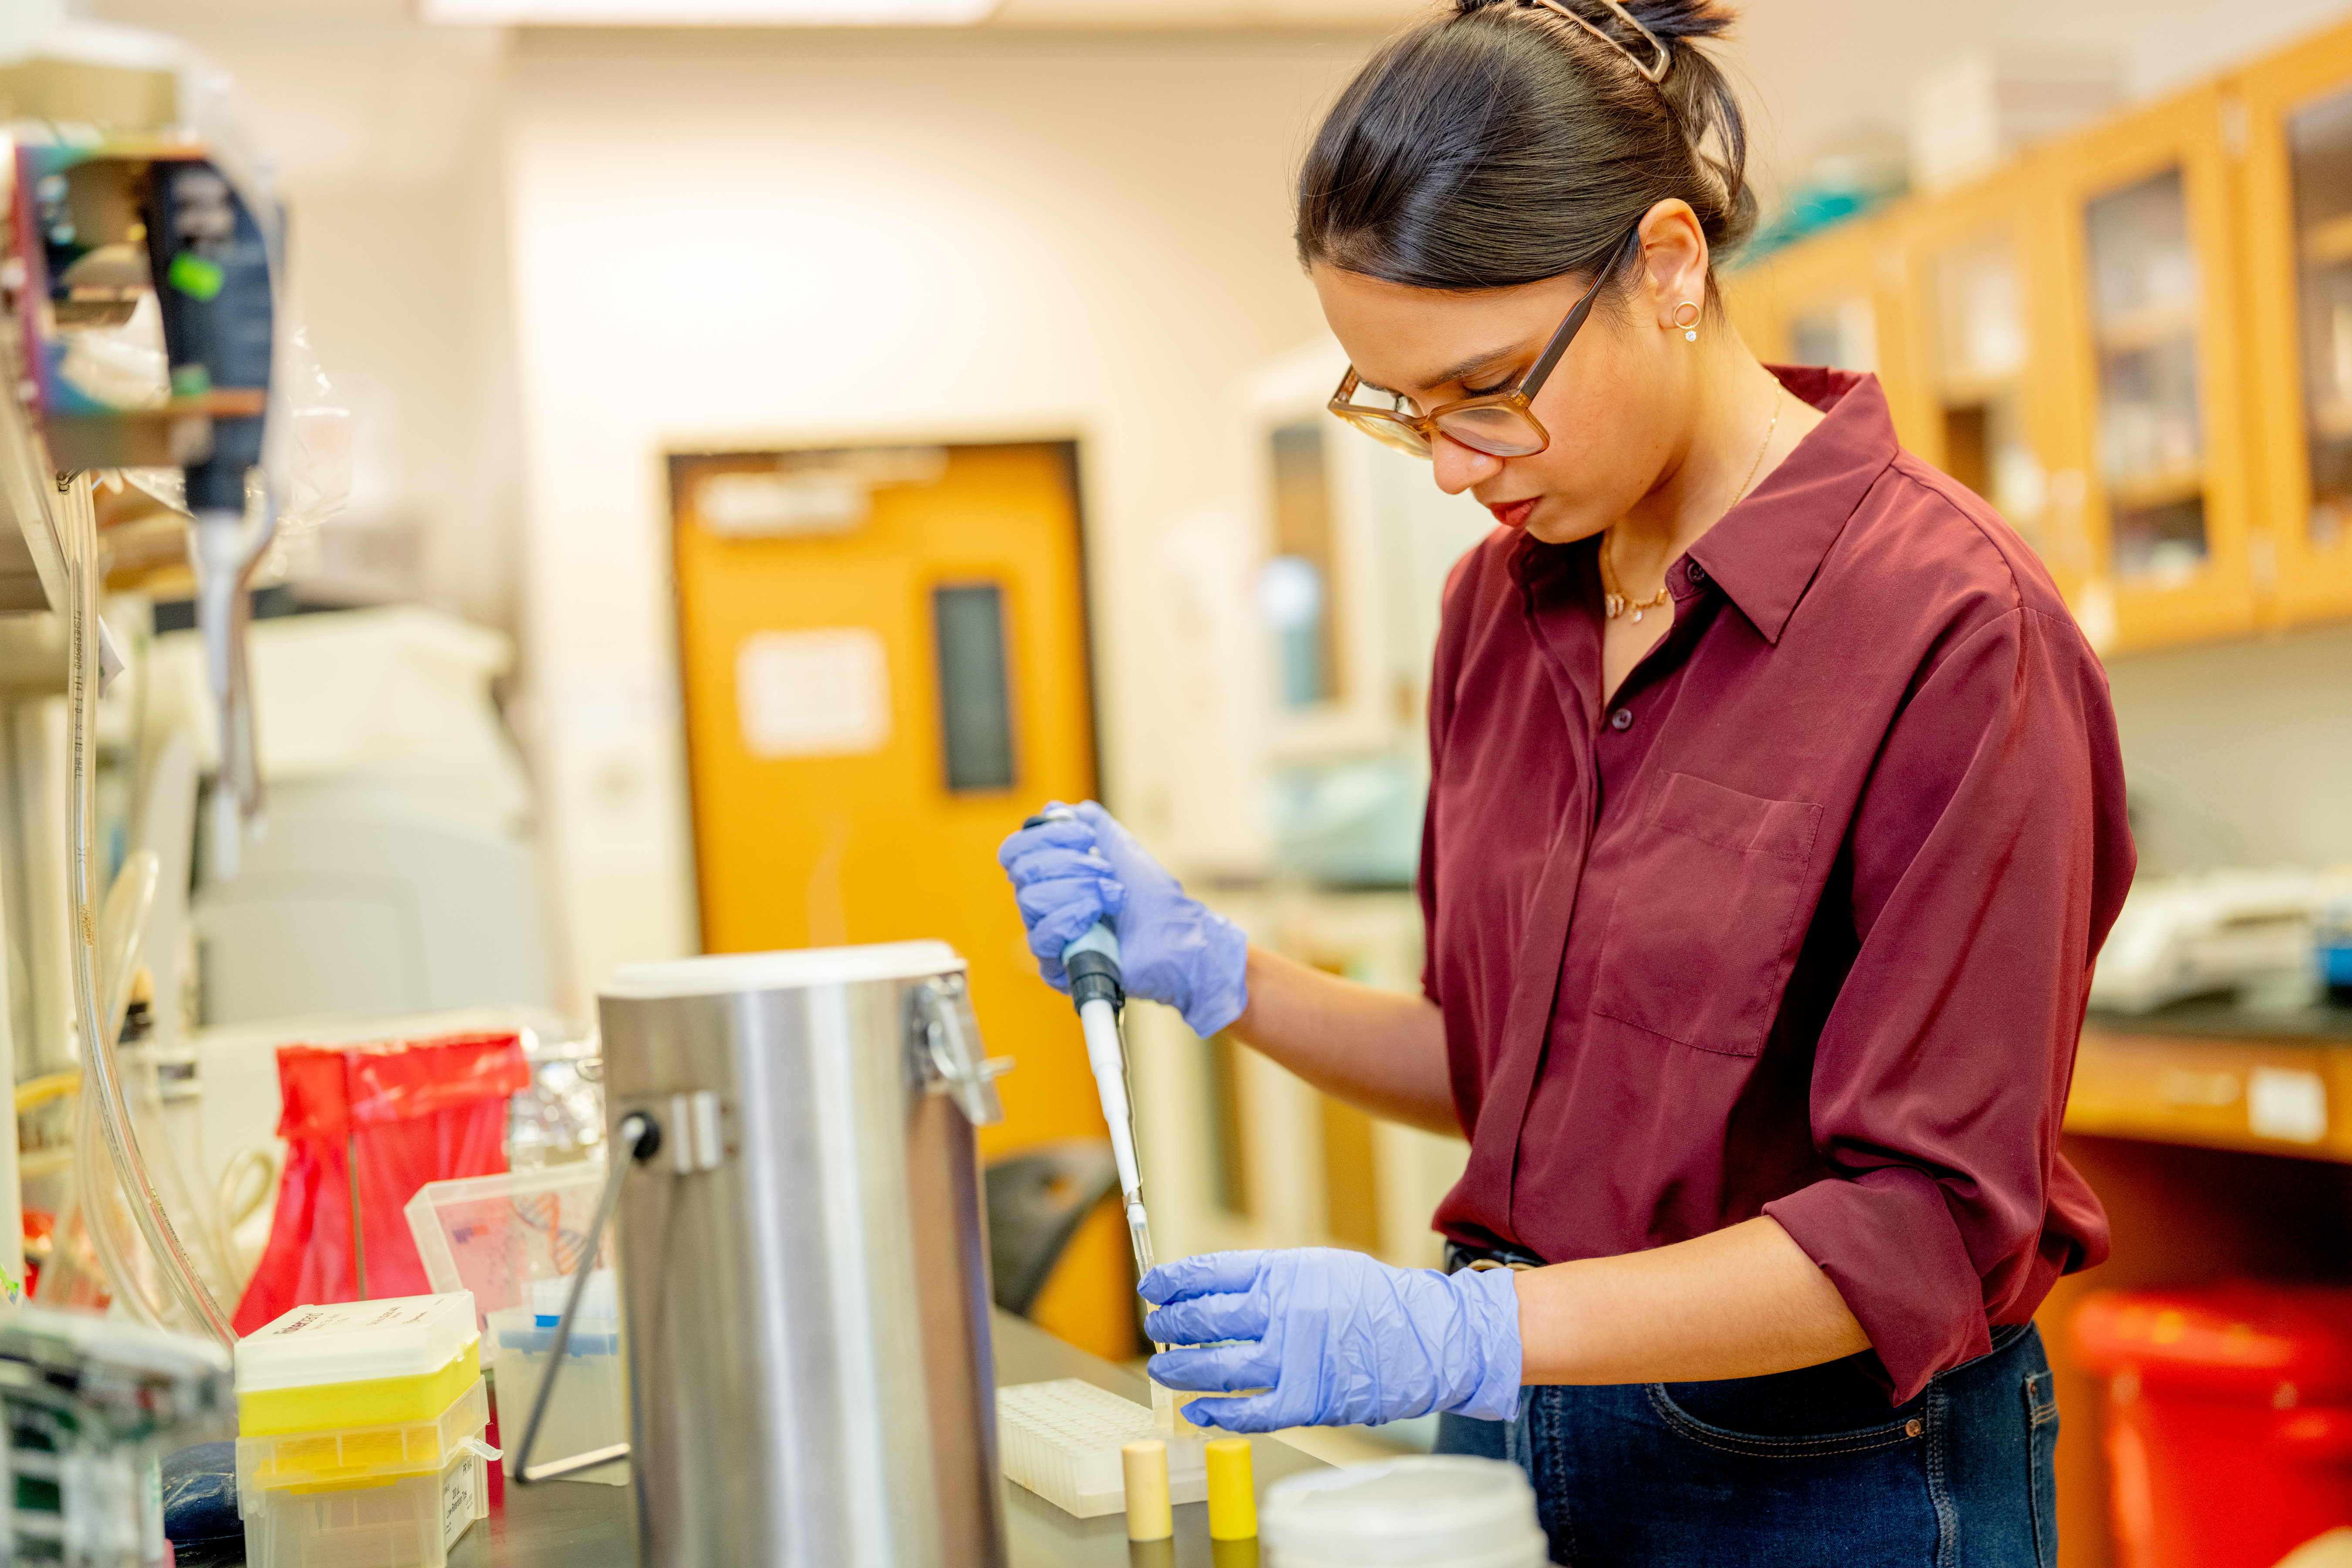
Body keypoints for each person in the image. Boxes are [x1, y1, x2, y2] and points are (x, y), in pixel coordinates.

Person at [997, 0, 2133, 1560]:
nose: (1454, 464)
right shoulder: (1503, 606)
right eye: (1400, 406)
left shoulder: (1952, 629)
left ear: (1667, 267)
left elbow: (1926, 1225)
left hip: (1820, 1466)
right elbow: (1507, 1070)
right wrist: (1213, 966)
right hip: (1512, 1429)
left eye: (1482, 386)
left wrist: (1464, 1337)